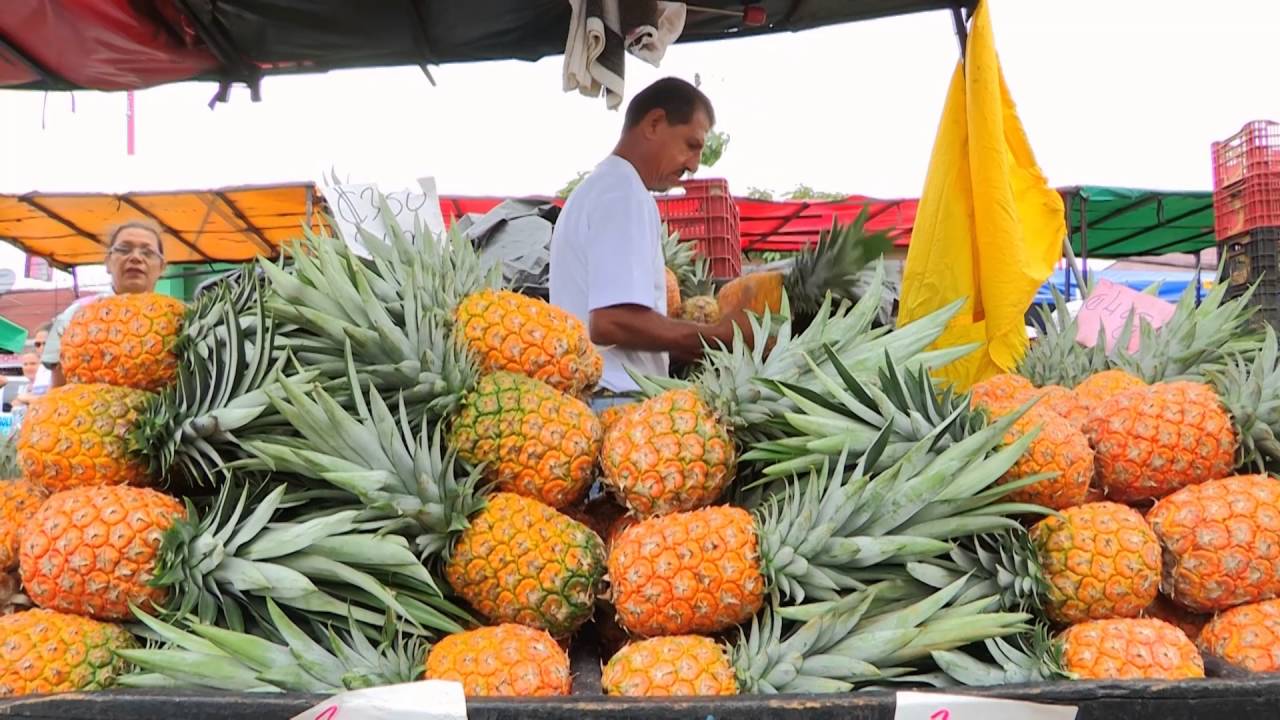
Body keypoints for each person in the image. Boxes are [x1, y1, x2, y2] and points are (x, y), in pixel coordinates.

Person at [549, 77, 752, 412]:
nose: (693, 165)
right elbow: (612, 321)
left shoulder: (600, 187)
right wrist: (720, 336)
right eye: (691, 145)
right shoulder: (623, 192)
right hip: (614, 400)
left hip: (593, 398)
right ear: (655, 123)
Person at [42, 219, 167, 388]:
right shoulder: (75, 314)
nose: (136, 257)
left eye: (148, 252)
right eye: (124, 249)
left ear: (162, 267)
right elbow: (57, 388)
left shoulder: (178, 320)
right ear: (108, 262)